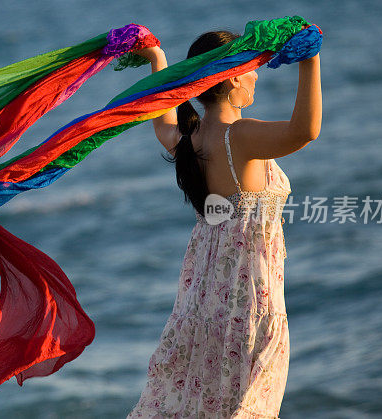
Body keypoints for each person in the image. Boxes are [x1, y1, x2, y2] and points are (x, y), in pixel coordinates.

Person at [126, 28, 322, 418]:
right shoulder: (240, 136)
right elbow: (305, 131)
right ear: (233, 76)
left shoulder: (192, 139)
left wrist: (157, 60)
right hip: (248, 300)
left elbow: (161, 119)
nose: (255, 76)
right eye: (252, 68)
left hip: (202, 302)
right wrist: (310, 60)